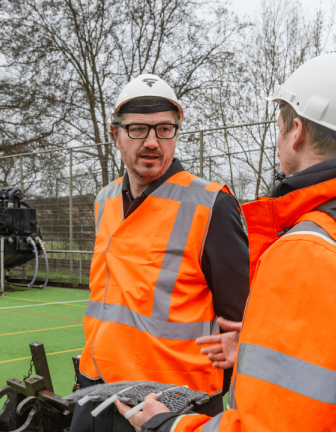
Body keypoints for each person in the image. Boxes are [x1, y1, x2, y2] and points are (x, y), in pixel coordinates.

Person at [118, 51, 336, 431]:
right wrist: (259, 347)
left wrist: (167, 426)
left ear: (297, 131)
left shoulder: (309, 252)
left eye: (279, 125)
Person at [71, 74, 251, 432]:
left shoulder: (211, 204)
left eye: (164, 129)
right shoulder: (105, 200)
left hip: (170, 405)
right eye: (138, 129)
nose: (152, 142)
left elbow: (241, 319)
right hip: (96, 388)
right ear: (115, 135)